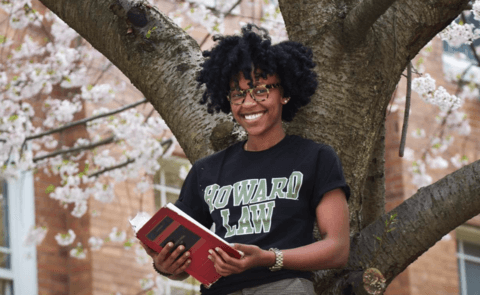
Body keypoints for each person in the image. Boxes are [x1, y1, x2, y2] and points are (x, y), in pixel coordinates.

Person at [141, 24, 350, 295]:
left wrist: (269, 258)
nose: (248, 103)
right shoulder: (206, 170)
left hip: (283, 287)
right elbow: (182, 263)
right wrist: (165, 265)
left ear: (285, 93)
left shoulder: (315, 158)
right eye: (238, 94)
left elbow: (337, 249)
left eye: (261, 90)